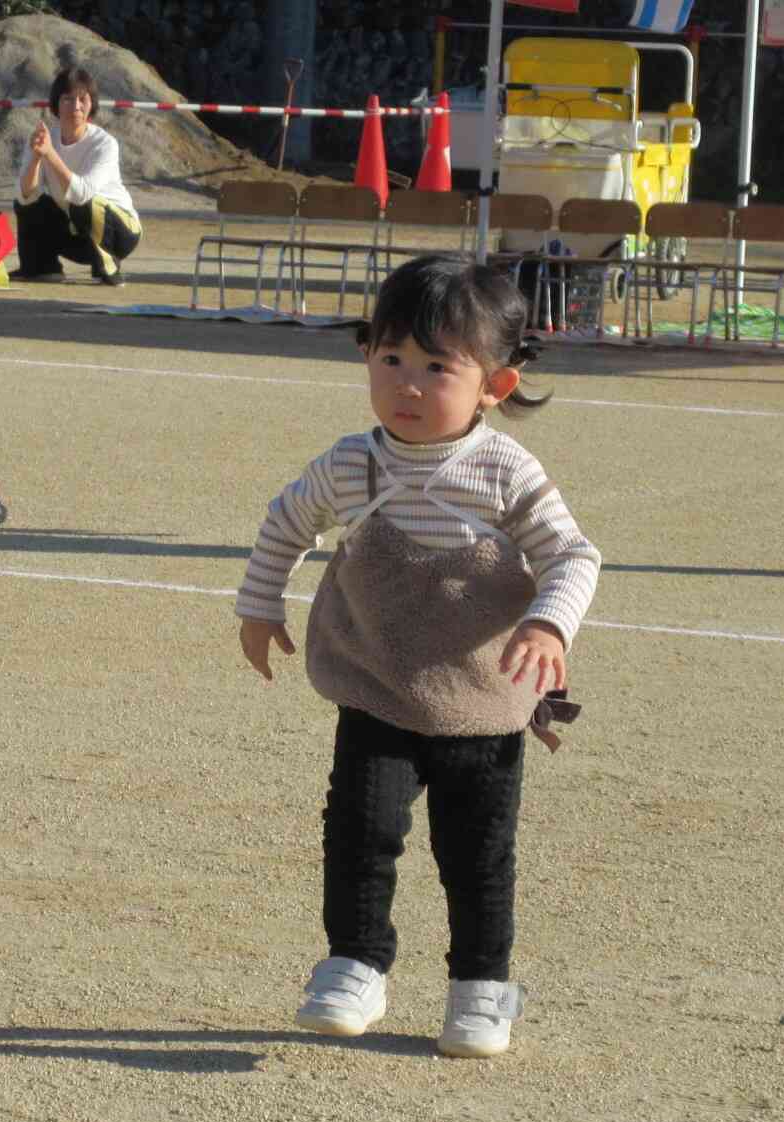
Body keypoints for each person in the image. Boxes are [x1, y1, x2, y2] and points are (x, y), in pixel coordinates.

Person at [234, 257, 600, 1059]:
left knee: (476, 852)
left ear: (494, 386)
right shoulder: (350, 463)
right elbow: (286, 523)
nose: (408, 383)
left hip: (483, 693)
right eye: (391, 357)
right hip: (378, 683)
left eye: (438, 368)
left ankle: (480, 988)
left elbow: (573, 556)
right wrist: (260, 603)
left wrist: (548, 625)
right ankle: (354, 965)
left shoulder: (506, 470)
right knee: (361, 830)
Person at [11, 65, 142, 287]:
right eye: (68, 99)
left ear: (91, 105)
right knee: (27, 203)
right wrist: (35, 158)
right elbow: (25, 195)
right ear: (56, 105)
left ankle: (108, 265)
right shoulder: (43, 138)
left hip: (120, 232)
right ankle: (40, 266)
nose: (76, 107)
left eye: (83, 99)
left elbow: (82, 194)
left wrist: (50, 154)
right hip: (80, 233)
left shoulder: (105, 144)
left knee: (82, 202)